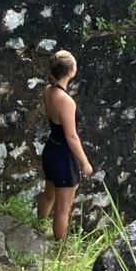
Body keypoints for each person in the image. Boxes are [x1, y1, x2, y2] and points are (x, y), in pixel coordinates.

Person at [36, 50, 93, 240]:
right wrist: (85, 162)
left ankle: (38, 227)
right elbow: (71, 136)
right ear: (70, 71)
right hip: (63, 156)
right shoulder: (66, 101)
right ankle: (60, 248)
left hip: (51, 149)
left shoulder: (48, 90)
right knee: (63, 208)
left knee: (48, 195)